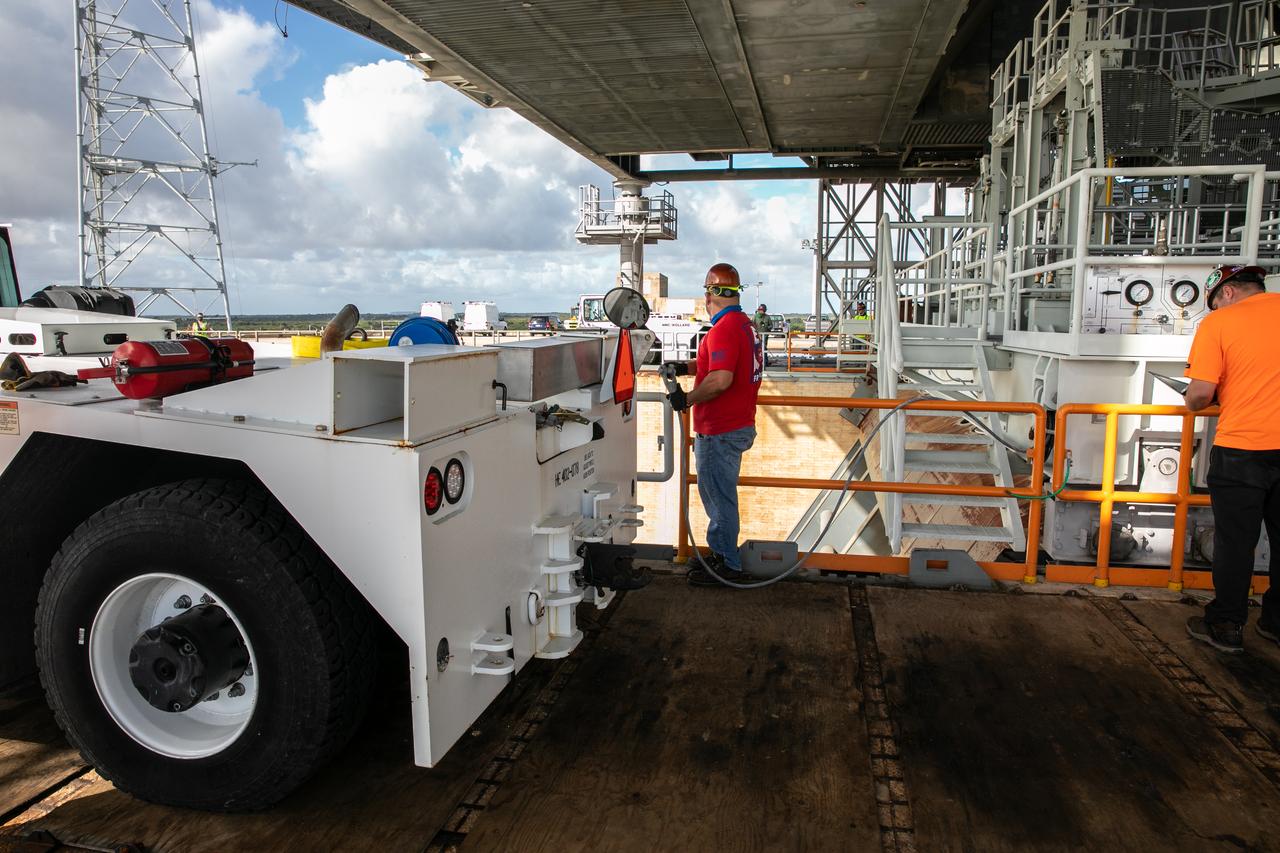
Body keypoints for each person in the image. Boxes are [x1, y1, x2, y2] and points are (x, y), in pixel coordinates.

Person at [1183, 264, 1280, 653]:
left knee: (1236, 543)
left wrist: (1192, 400)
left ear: (1226, 294)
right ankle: (1275, 623)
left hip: (1244, 448)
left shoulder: (1219, 324)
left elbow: (1201, 394)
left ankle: (1225, 624)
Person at [664, 263, 764, 586]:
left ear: (712, 294)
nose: (705, 298)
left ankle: (728, 565)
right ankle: (721, 554)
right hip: (735, 424)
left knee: (719, 499)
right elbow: (717, 365)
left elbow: (721, 379)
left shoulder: (724, 329)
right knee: (719, 495)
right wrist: (687, 365)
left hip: (721, 430)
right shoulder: (744, 326)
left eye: (707, 291)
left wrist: (687, 399)